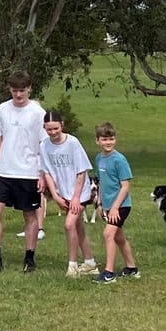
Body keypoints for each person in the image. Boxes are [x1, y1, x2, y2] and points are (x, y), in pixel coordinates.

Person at [0, 72, 47, 273]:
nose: (18, 94)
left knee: (30, 216)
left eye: (22, 90)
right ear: (9, 89)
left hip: (29, 172)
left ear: (29, 88)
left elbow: (44, 144)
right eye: (14, 90)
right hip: (4, 171)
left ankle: (29, 258)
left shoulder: (38, 113)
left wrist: (42, 173)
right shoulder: (1, 110)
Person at [38, 111, 95, 275]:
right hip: (63, 192)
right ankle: (90, 262)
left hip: (80, 192)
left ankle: (72, 266)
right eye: (49, 130)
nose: (53, 133)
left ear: (61, 125)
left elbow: (81, 171)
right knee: (78, 227)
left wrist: (76, 197)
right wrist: (55, 195)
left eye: (56, 128)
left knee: (69, 225)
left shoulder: (73, 143)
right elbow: (47, 172)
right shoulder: (44, 145)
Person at [92, 122, 136, 284]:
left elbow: (125, 186)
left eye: (111, 139)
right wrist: (100, 204)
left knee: (108, 234)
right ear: (97, 141)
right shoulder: (99, 158)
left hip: (121, 205)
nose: (108, 142)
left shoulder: (119, 160)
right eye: (104, 139)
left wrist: (115, 208)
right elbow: (101, 182)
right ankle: (131, 268)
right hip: (108, 206)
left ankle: (109, 273)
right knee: (119, 237)